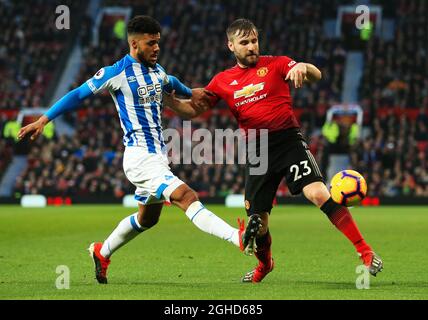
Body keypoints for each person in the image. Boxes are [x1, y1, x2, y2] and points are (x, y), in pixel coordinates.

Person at [18, 16, 256, 284]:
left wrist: (191, 91)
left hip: (158, 158)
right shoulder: (115, 73)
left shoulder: (157, 71)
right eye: (150, 43)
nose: (156, 48)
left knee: (147, 219)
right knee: (185, 195)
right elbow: (78, 94)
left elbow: (171, 81)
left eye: (158, 43)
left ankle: (102, 251)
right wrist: (43, 119)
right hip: (139, 158)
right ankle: (237, 238)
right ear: (134, 43)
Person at [188, 18, 383, 283]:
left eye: (254, 40)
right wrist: (168, 99)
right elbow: (193, 109)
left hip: (288, 141)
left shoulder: (277, 63)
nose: (251, 47)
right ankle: (265, 264)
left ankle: (365, 251)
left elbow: (316, 74)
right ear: (231, 45)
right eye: (244, 42)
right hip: (257, 151)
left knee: (317, 193)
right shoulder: (222, 80)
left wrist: (304, 66)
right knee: (258, 223)